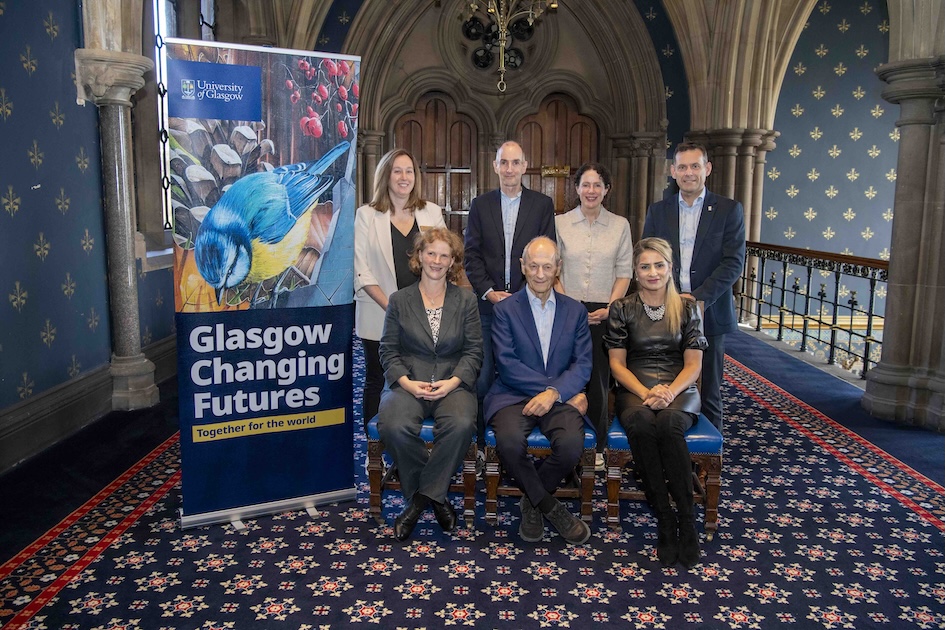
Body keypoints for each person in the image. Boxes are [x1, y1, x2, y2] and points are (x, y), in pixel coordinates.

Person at [604, 237, 708, 568]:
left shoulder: (689, 307)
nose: (653, 272)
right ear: (635, 272)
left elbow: (693, 364)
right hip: (635, 386)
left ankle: (687, 521)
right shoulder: (622, 307)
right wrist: (647, 392)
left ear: (670, 268)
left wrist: (669, 392)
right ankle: (665, 517)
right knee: (640, 423)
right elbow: (617, 364)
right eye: (645, 266)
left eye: (659, 265)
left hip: (680, 389)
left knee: (667, 423)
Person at [484, 236, 593, 545]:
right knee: (508, 441)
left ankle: (531, 499)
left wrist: (554, 394)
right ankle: (549, 507)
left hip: (560, 397)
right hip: (512, 394)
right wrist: (550, 390)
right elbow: (507, 363)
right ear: (522, 267)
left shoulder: (575, 311)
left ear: (558, 267)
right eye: (533, 266)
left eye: (547, 266)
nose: (540, 274)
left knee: (572, 445)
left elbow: (583, 364)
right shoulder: (505, 310)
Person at [377, 228, 482, 541]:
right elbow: (387, 350)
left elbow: (474, 350)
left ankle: (418, 503)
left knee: (462, 423)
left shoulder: (466, 300)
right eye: (431, 253)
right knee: (393, 425)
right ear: (419, 256)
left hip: (453, 384)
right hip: (409, 382)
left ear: (452, 262)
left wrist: (453, 382)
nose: (437, 260)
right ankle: (436, 496)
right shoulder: (399, 300)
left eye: (444, 255)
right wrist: (407, 384)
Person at [642, 142, 745, 431]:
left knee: (710, 391)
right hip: (663, 311)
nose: (689, 173)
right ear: (672, 172)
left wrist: (698, 297)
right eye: (683, 167)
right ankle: (667, 447)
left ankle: (710, 460)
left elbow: (733, 263)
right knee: (664, 384)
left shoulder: (728, 210)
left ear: (707, 169)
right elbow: (648, 257)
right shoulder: (658, 211)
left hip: (709, 313)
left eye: (695, 166)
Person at [464, 141, 556, 455]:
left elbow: (547, 253)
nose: (509, 169)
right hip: (488, 308)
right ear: (495, 166)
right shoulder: (480, 204)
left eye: (515, 163)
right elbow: (471, 257)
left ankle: (520, 442)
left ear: (524, 166)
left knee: (527, 374)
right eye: (504, 163)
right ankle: (480, 445)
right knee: (484, 376)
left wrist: (521, 297)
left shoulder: (542, 205)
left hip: (529, 309)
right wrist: (490, 293)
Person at [355, 149, 446, 431]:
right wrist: (395, 308)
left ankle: (413, 437)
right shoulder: (366, 215)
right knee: (376, 379)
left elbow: (445, 257)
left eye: (409, 171)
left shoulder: (431, 212)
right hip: (379, 314)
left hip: (427, 315)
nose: (404, 177)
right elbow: (362, 270)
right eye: (397, 170)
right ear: (386, 175)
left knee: (419, 376)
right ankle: (372, 446)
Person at [555, 163, 632, 469]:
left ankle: (597, 446)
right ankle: (567, 439)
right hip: (567, 309)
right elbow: (553, 269)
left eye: (597, 185)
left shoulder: (620, 225)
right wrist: (569, 306)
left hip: (605, 311)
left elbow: (625, 272)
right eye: (586, 185)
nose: (591, 191)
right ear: (576, 189)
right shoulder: (560, 223)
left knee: (599, 379)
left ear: (606, 190)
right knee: (568, 375)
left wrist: (612, 307)